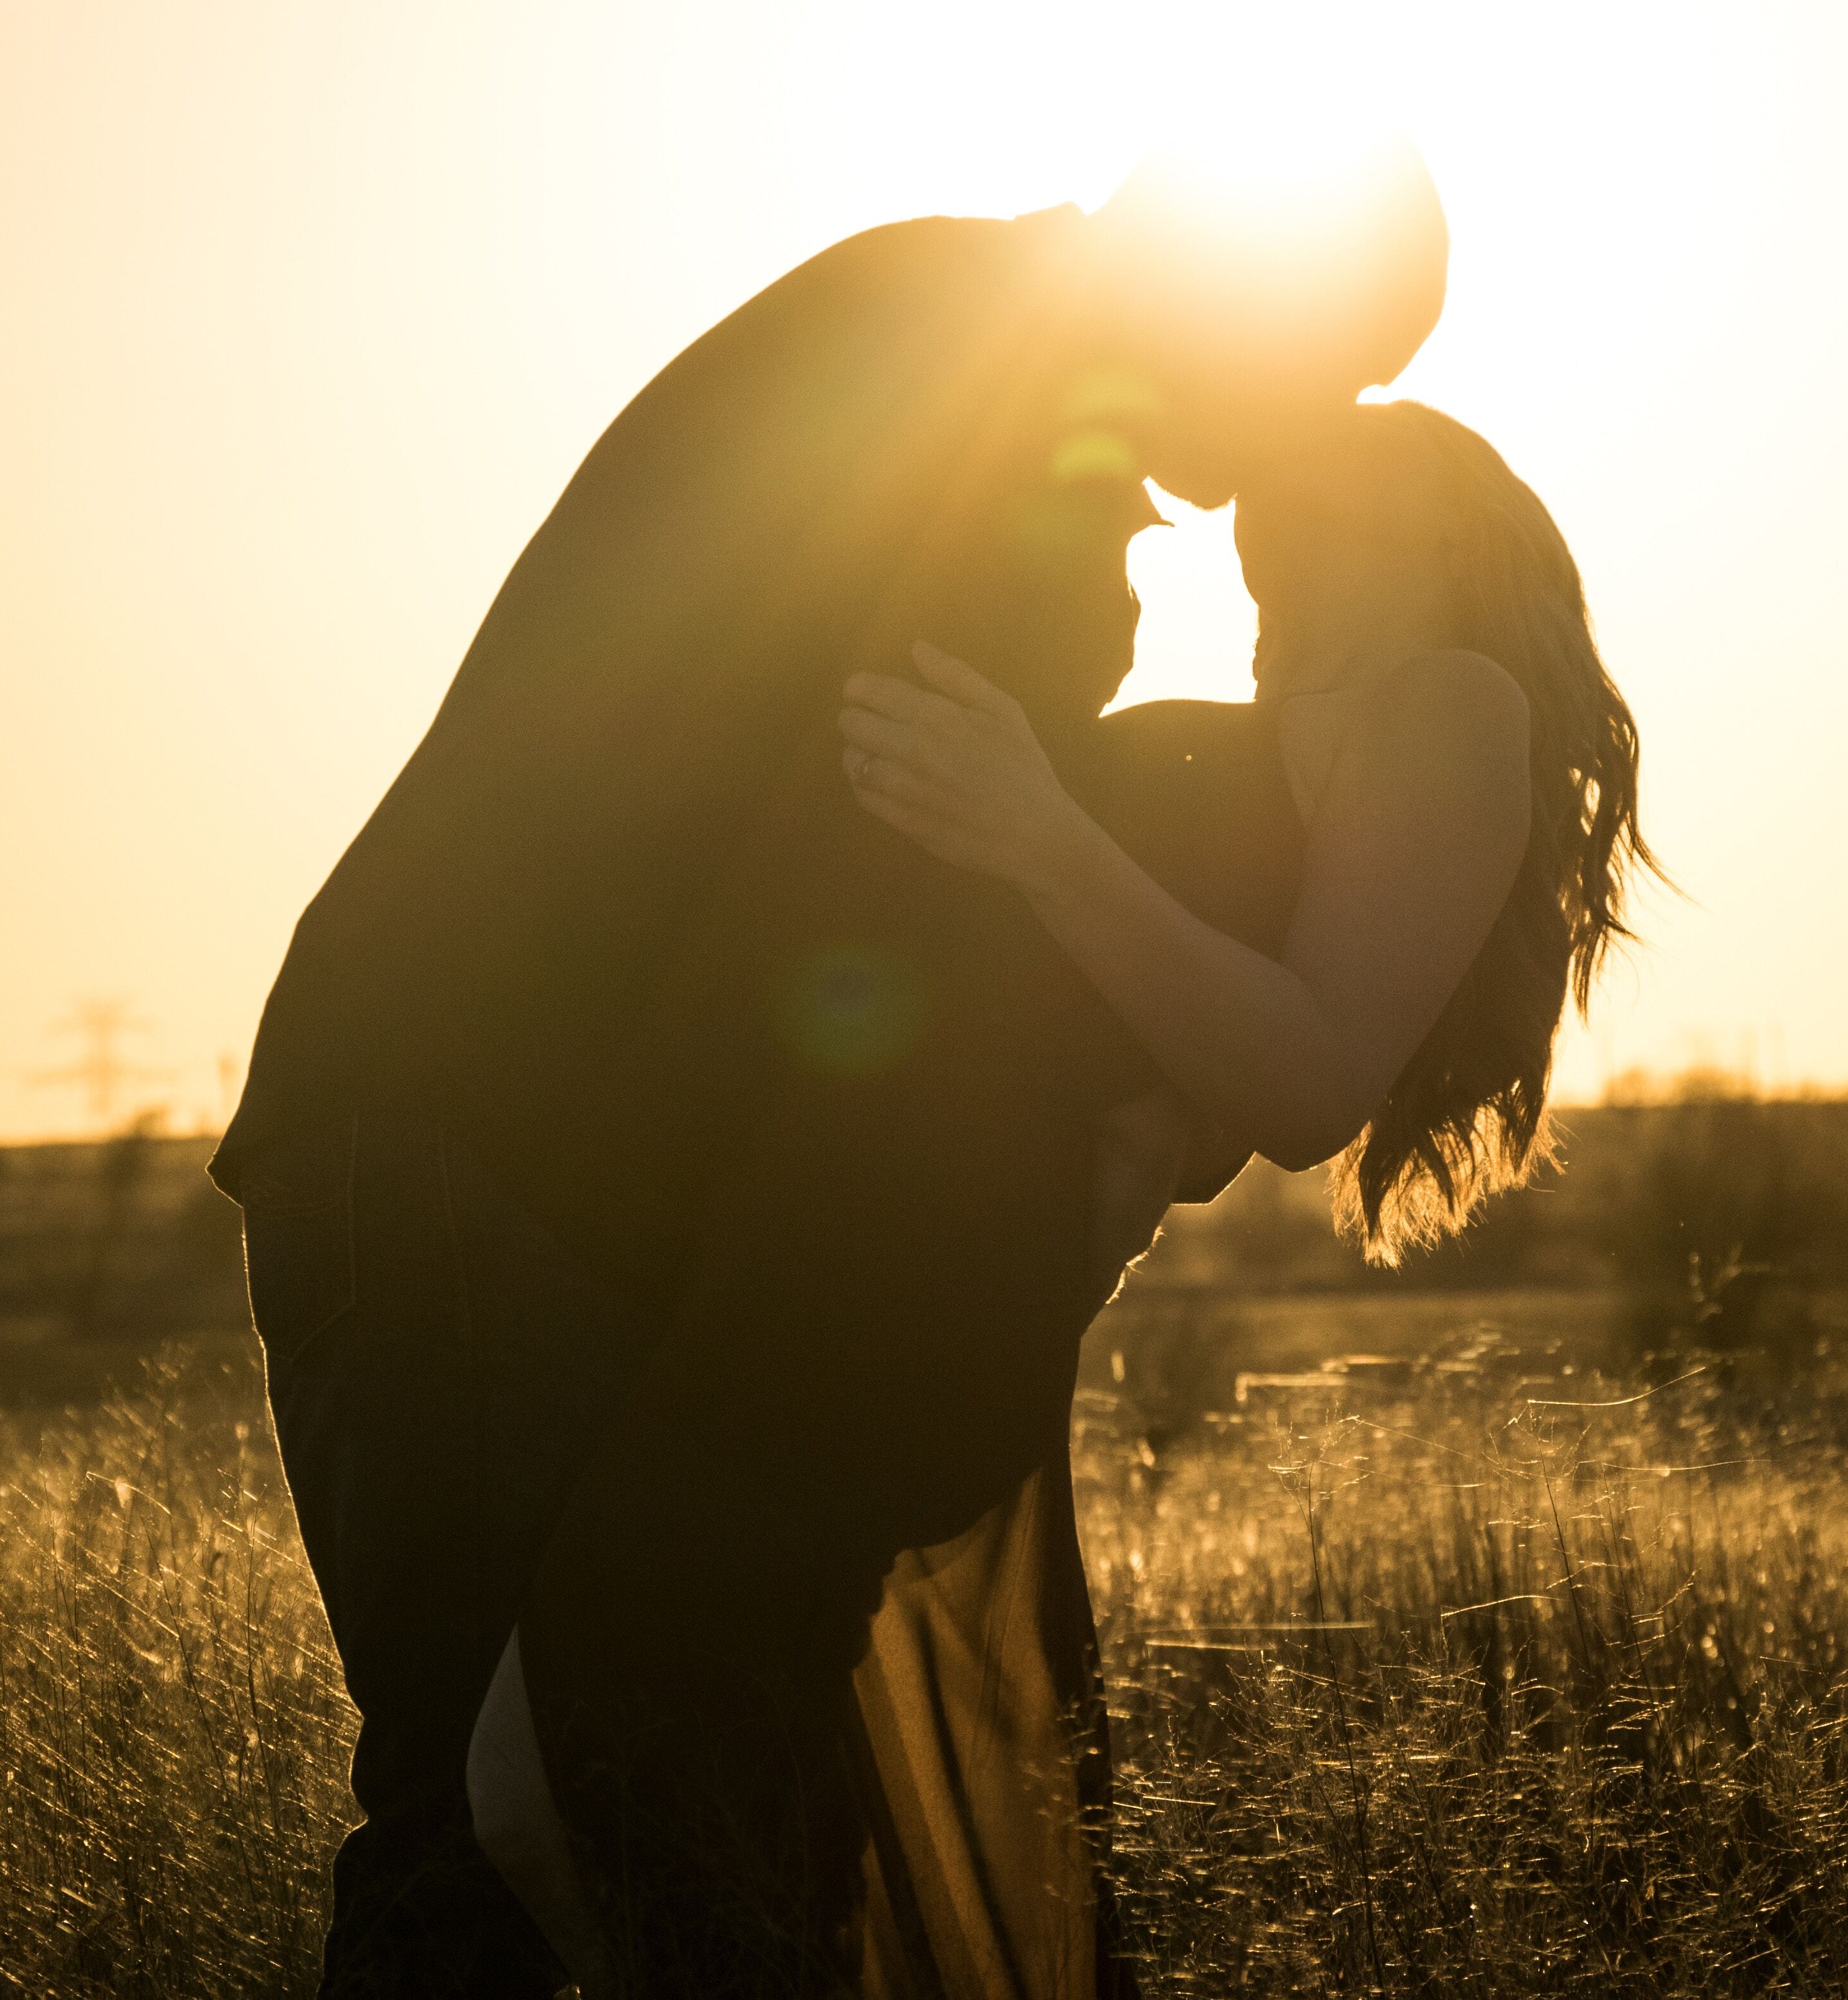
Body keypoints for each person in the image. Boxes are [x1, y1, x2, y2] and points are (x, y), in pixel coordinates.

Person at [211, 141, 1449, 1996]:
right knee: (504, 1834)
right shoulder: (964, 382)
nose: (1315, 426)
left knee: (632, 1815)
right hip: (486, 1146)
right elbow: (888, 892)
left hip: (521, 1156)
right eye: (1330, 361)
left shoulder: (981, 363)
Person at [487, 396, 1647, 1994]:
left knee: (592, 1755)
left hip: (891, 1298)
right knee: (635, 1774)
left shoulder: (1450, 699)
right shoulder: (1293, 711)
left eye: (1365, 437)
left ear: (1449, 524)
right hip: (855, 1271)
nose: (1310, 445)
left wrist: (1037, 829)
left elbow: (1307, 1080)